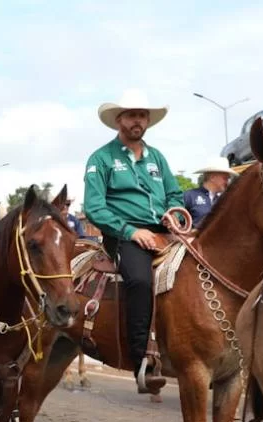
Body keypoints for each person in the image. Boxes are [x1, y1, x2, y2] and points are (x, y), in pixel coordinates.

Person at [83, 89, 182, 395]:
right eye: (131, 115)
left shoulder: (157, 158)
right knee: (139, 281)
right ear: (119, 120)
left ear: (147, 121)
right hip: (123, 235)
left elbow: (174, 194)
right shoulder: (101, 158)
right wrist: (130, 232)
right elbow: (94, 207)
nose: (137, 120)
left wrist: (174, 216)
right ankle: (143, 359)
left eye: (142, 115)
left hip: (163, 232)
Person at [183, 157, 238, 228]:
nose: (227, 182)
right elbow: (176, 222)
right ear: (212, 177)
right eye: (225, 178)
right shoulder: (189, 196)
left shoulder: (224, 202)